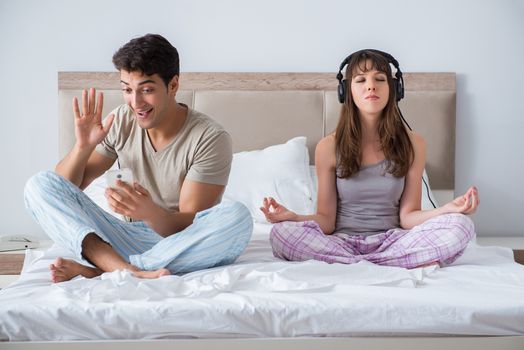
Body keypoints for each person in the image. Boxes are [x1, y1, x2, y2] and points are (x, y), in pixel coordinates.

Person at [24, 34, 253, 282]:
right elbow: (63, 189)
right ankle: (122, 267)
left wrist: (151, 213)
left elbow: (191, 224)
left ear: (173, 85)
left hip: (181, 244)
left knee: (237, 217)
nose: (136, 102)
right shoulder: (122, 119)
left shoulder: (209, 138)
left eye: (147, 89)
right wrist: (83, 146)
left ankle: (106, 269)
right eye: (127, 90)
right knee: (39, 184)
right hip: (124, 236)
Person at [261, 49, 478, 269]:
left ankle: (358, 265)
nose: (371, 86)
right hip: (342, 243)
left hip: (394, 241)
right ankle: (392, 264)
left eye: (380, 79)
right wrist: (294, 217)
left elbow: (408, 217)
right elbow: (326, 221)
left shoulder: (414, 144)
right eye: (361, 80)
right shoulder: (328, 147)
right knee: (281, 233)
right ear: (346, 91)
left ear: (394, 89)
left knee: (461, 225)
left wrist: (447, 209)